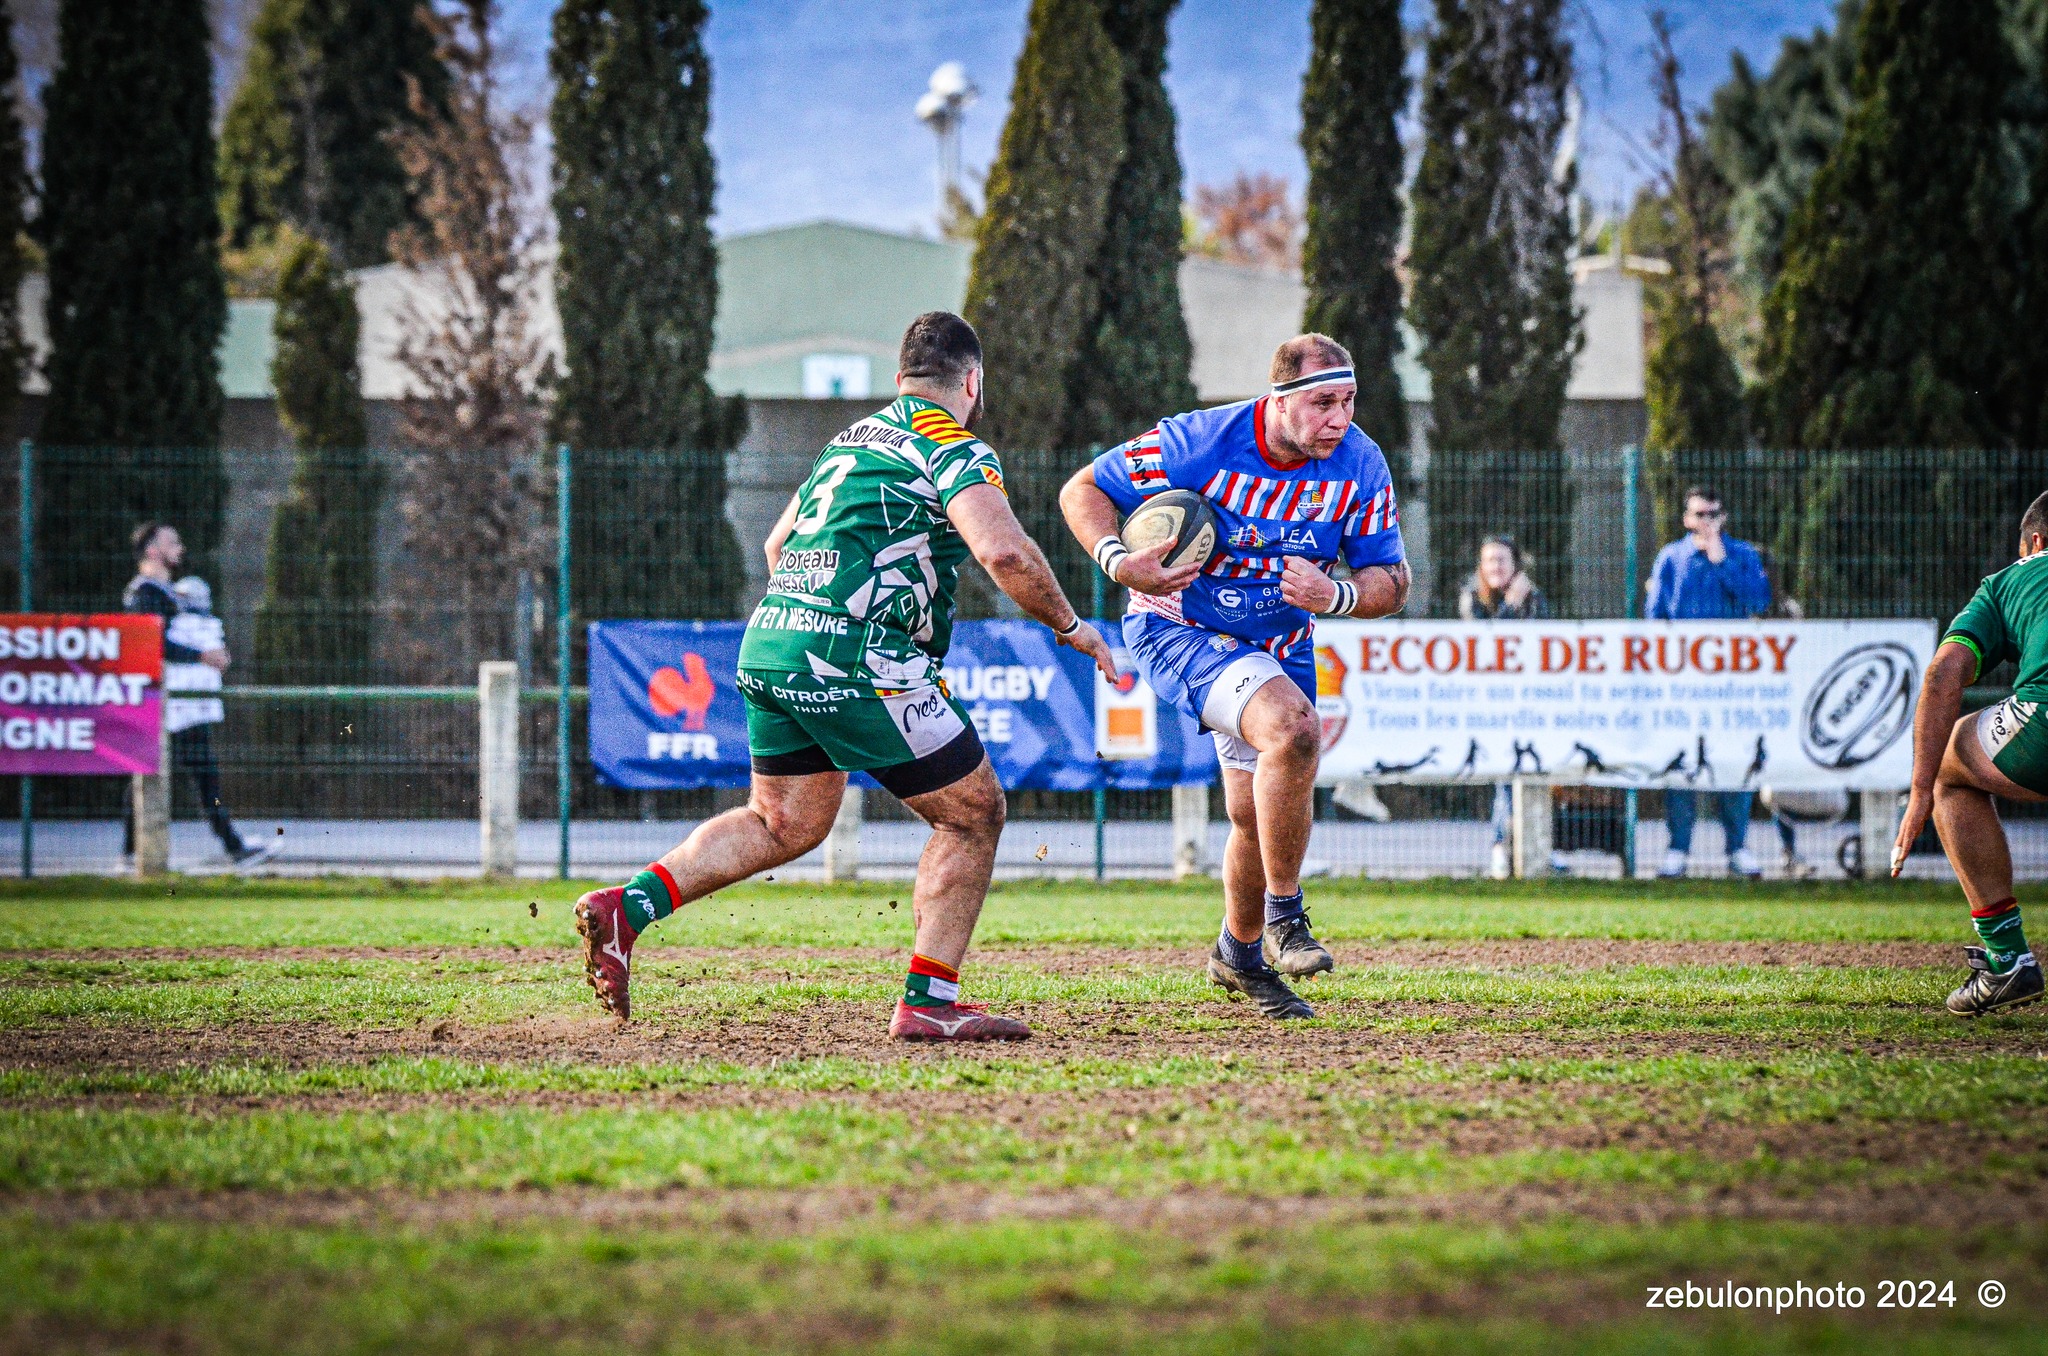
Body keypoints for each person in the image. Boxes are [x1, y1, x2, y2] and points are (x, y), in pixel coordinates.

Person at [574, 312, 1115, 1041]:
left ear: (900, 381)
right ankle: (929, 1002)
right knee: (972, 812)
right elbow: (1005, 553)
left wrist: (812, 617)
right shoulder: (954, 447)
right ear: (973, 384)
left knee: (783, 821)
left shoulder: (851, 441)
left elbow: (778, 543)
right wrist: (1071, 626)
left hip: (772, 639)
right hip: (855, 654)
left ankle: (627, 908)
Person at [1059, 334, 1410, 1020]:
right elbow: (1084, 489)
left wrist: (1337, 595)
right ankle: (1285, 916)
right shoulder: (1198, 443)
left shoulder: (1361, 462)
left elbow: (1392, 582)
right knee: (1294, 729)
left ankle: (1239, 955)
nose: (1339, 419)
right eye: (1323, 403)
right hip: (1179, 626)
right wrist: (1117, 560)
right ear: (1279, 400)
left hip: (1278, 642)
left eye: (1348, 401)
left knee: (1256, 814)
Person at [1890, 490, 2048, 1016]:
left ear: (2035, 542)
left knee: (1948, 767)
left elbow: (1942, 674)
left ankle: (2007, 960)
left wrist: (1919, 792)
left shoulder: (2010, 581)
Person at [123, 524, 274, 868]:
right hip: (168, 702)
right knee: (182, 774)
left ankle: (133, 853)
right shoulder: (145, 594)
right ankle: (232, 847)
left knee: (175, 774)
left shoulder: (167, 593)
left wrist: (211, 651)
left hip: (181, 702)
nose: (180, 547)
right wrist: (202, 656)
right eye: (172, 542)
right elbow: (153, 645)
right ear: (152, 550)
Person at [1644, 485, 1772, 879]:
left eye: (1713, 514)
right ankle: (1678, 849)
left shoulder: (1742, 555)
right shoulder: (1671, 558)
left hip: (1731, 684)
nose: (1706, 522)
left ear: (1723, 517)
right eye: (1699, 515)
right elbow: (1654, 616)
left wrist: (1723, 563)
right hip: (1683, 685)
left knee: (1733, 761)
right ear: (1687, 519)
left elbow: (1759, 600)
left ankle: (1737, 847)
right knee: (1682, 764)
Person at [1459, 536, 1550, 879]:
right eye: (1490, 560)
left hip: (1528, 702)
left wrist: (1520, 604)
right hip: (1488, 705)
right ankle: (1502, 846)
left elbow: (1541, 646)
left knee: (1531, 773)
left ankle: (1532, 846)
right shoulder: (1472, 599)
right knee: (1504, 775)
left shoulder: (1534, 599)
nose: (1496, 567)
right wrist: (1510, 607)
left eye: (1502, 560)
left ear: (1516, 565)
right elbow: (1487, 645)